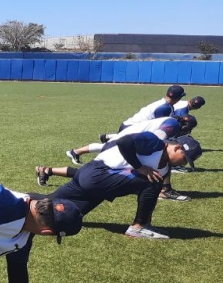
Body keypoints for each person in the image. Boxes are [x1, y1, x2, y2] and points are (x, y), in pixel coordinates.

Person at [38, 133, 202, 239]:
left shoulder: (165, 167)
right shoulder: (155, 142)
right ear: (177, 147)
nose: (184, 162)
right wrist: (139, 166)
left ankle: (22, 201)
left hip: (95, 180)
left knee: (64, 214)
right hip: (97, 174)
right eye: (184, 157)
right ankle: (139, 227)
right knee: (153, 179)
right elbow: (124, 141)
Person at [65, 115, 196, 165]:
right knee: (109, 151)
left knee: (107, 147)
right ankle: (75, 155)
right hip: (133, 136)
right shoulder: (172, 125)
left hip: (134, 134)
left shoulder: (172, 122)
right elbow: (158, 139)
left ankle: (75, 152)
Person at [118, 85, 185, 131]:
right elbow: (160, 128)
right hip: (130, 129)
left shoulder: (163, 103)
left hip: (127, 126)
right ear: (178, 98)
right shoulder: (165, 108)